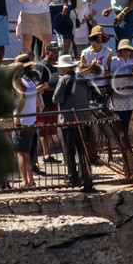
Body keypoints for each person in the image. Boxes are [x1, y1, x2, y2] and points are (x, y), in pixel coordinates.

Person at [51, 54, 97, 191]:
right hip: (84, 120)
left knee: (69, 150)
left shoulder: (64, 80)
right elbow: (88, 96)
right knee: (82, 149)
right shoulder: (82, 78)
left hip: (69, 121)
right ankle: (85, 176)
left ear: (64, 68)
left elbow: (56, 99)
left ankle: (72, 177)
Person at [109, 39, 133, 144]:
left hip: (130, 95)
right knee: (117, 120)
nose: (126, 52)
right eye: (124, 50)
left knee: (126, 119)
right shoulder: (114, 61)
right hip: (118, 95)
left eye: (128, 50)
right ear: (120, 51)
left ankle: (124, 141)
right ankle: (120, 141)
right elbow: (110, 74)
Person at [11, 61, 40, 187]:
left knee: (19, 153)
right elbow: (38, 100)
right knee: (27, 152)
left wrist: (17, 115)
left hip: (22, 123)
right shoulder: (30, 83)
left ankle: (24, 181)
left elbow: (22, 97)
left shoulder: (17, 82)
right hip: (31, 122)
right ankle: (30, 181)